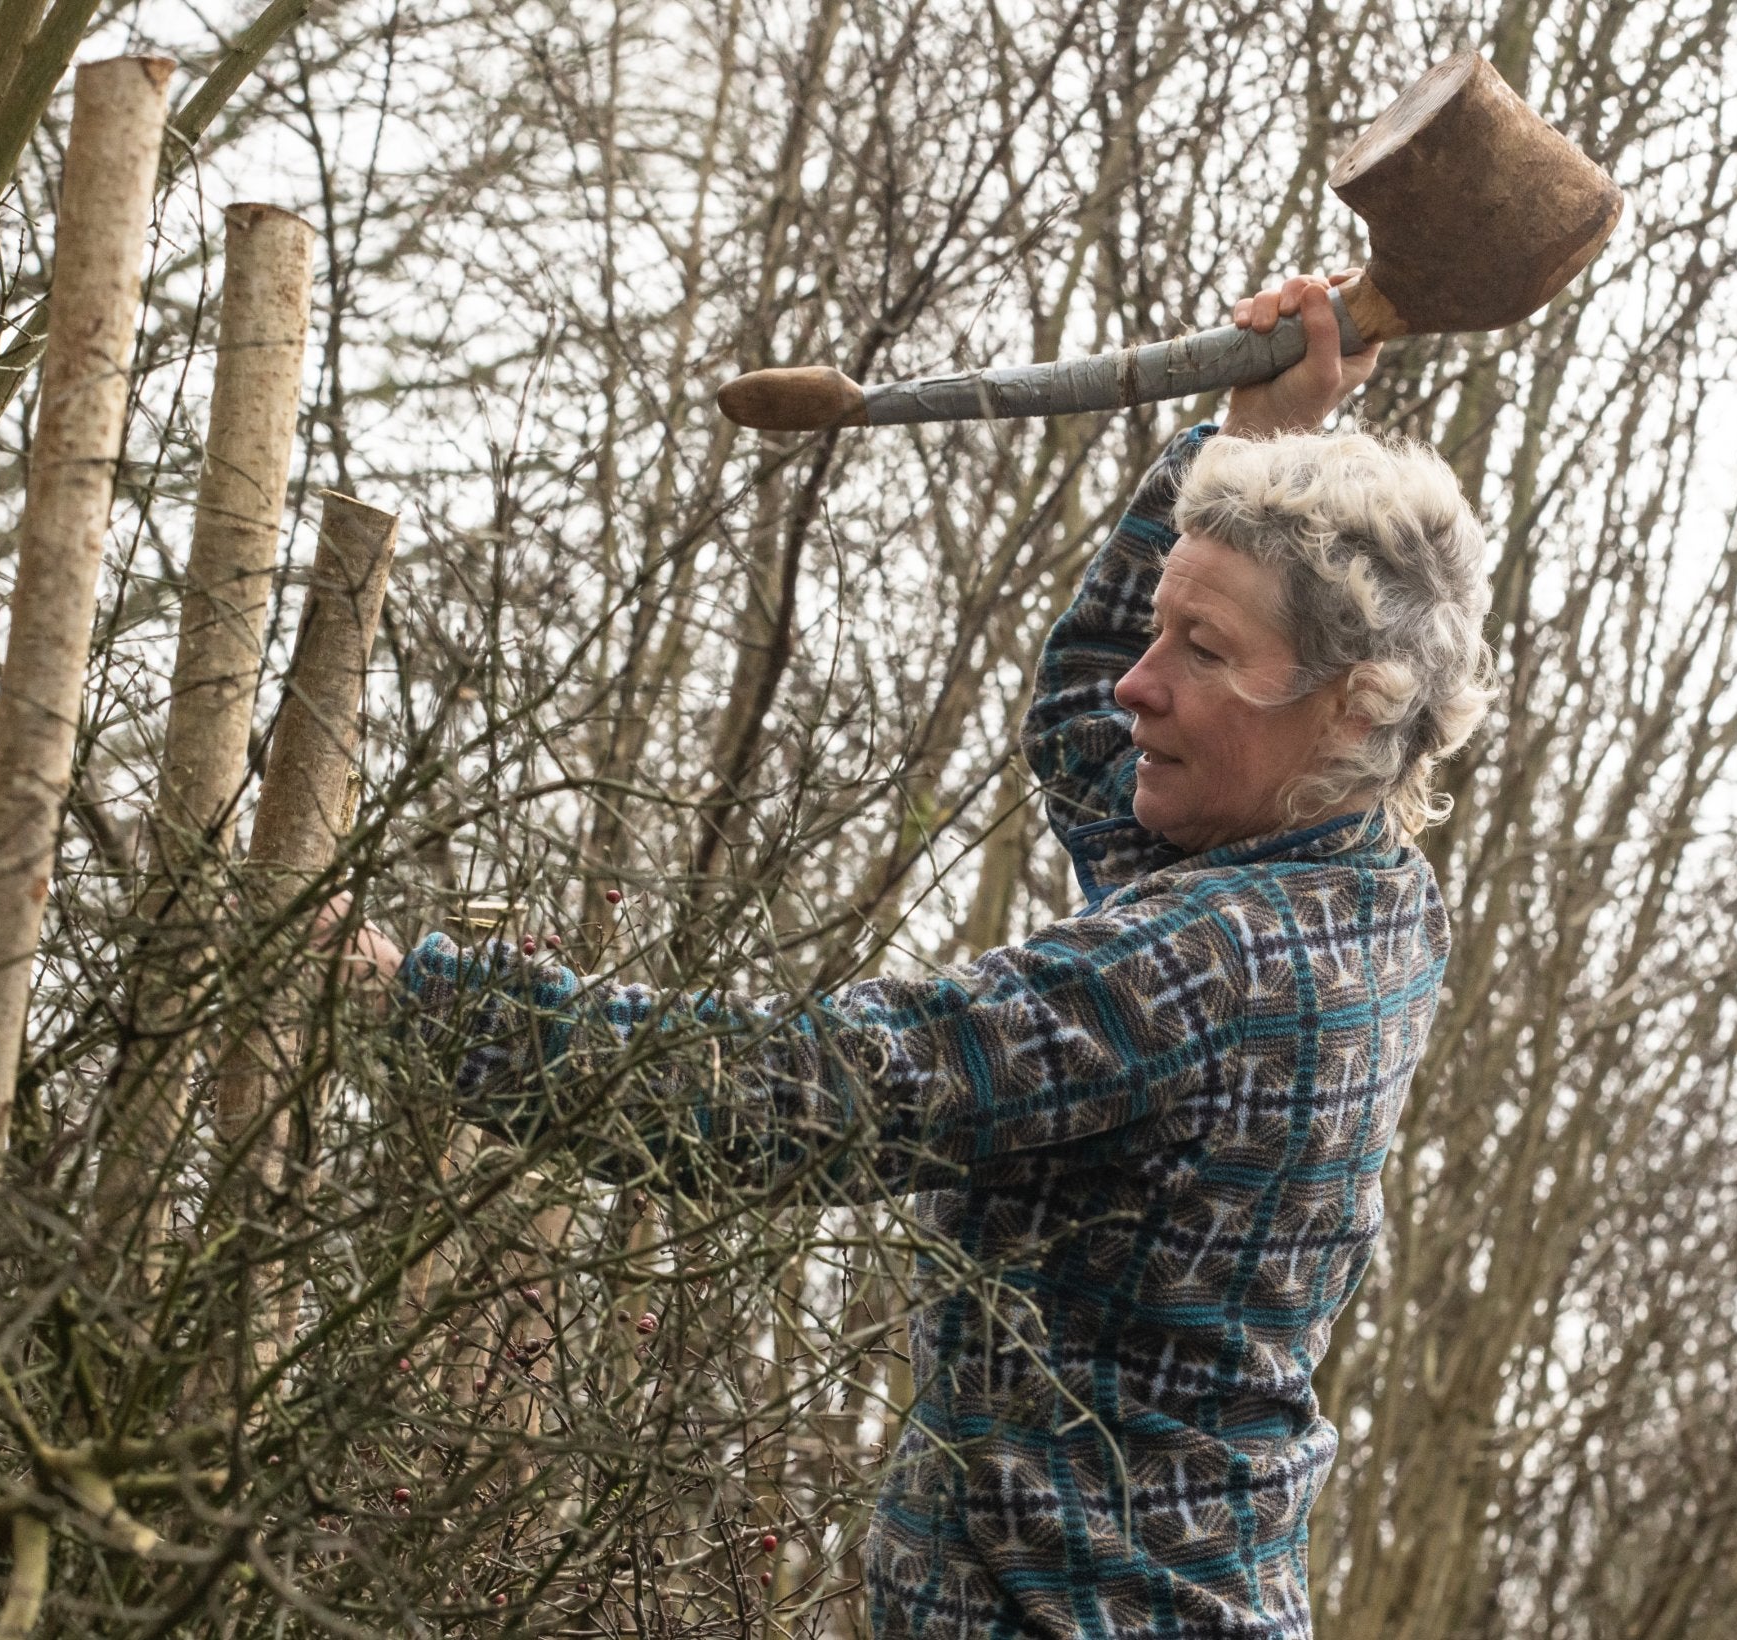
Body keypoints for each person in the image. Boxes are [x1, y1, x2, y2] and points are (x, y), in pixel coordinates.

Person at [345, 273, 1494, 1638]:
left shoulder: (1212, 966)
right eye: (1156, 629)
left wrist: (413, 1002)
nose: (1141, 682)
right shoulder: (1360, 885)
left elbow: (809, 1090)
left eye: (1201, 648)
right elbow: (1091, 719)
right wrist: (1241, 437)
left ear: (1348, 701)